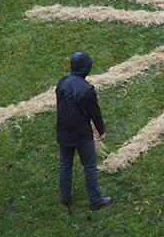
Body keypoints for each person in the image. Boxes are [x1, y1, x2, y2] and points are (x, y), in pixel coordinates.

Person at [56, 52, 112, 211]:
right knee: (89, 166)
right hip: (82, 134)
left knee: (65, 164)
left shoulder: (61, 83)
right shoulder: (87, 89)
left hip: (63, 131)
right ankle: (95, 201)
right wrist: (101, 130)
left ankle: (65, 198)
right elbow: (95, 112)